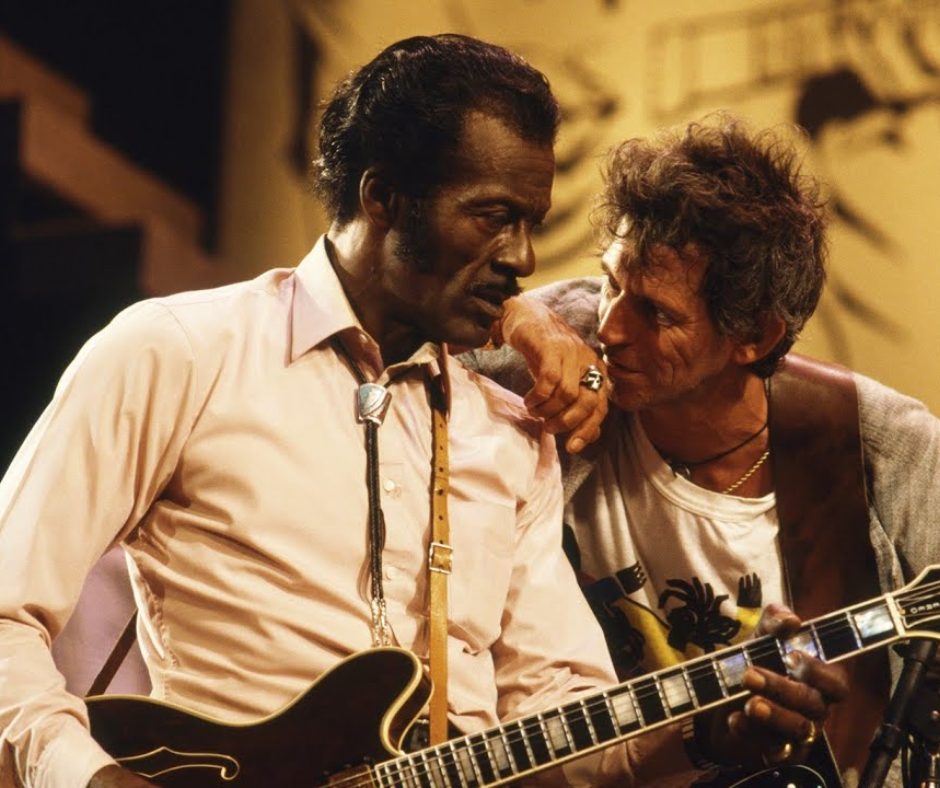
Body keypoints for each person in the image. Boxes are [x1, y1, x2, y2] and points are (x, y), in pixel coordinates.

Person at [0, 38, 841, 788]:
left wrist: (707, 734)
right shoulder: (179, 353)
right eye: (494, 218)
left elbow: (561, 728)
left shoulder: (511, 436)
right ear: (385, 199)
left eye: (532, 224)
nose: (523, 258)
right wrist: (88, 777)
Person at [465, 111, 940, 782]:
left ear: (754, 336)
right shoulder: (563, 342)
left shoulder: (885, 447)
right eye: (611, 282)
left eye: (656, 313)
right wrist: (518, 317)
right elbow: (391, 345)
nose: (610, 327)